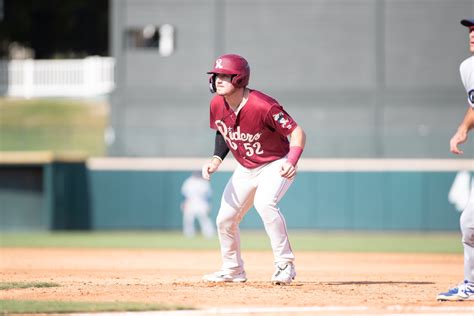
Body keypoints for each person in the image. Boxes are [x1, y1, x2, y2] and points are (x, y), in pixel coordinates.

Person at [200, 54, 306, 285]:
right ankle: (233, 269)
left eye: (225, 75)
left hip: (275, 162)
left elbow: (297, 133)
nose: (218, 79)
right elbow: (222, 130)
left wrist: (292, 160)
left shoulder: (263, 105)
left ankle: (285, 264)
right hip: (246, 167)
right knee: (224, 219)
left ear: (239, 79)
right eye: (216, 75)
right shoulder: (217, 104)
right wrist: (217, 158)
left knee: (265, 204)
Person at [437, 19, 474, 301]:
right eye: (471, 30)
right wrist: (463, 129)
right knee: (470, 223)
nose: (472, 35)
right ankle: (471, 284)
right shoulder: (468, 68)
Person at [180, 171, 215, 238]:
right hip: (191, 202)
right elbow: (185, 194)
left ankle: (209, 234)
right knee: (188, 219)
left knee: (204, 219)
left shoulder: (203, 182)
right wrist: (185, 202)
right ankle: (188, 234)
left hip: (201, 202)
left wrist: (208, 204)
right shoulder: (189, 181)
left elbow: (208, 195)